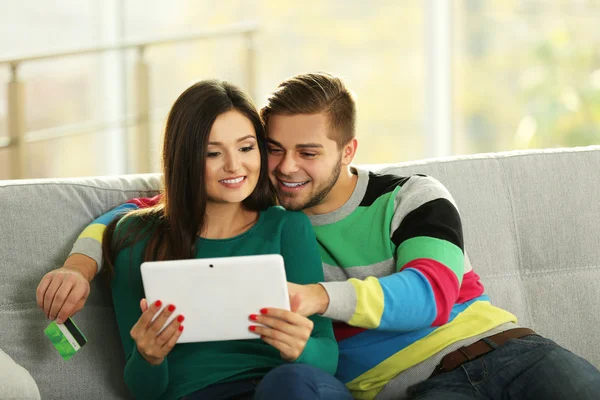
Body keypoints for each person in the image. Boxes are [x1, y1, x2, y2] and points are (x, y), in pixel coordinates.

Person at [38, 73, 600, 400]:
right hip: (418, 388)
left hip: (512, 348)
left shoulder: (409, 195)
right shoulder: (275, 215)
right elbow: (146, 211)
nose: (285, 169)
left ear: (348, 151)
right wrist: (82, 263)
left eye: (308, 153)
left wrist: (317, 298)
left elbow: (431, 293)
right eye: (275, 149)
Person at [36, 79, 354, 400]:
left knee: (288, 384)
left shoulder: (287, 227)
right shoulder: (133, 238)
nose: (234, 165)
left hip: (288, 387)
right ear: (185, 158)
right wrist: (149, 357)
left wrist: (302, 348)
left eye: (246, 148)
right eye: (213, 153)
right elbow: (146, 391)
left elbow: (325, 357)